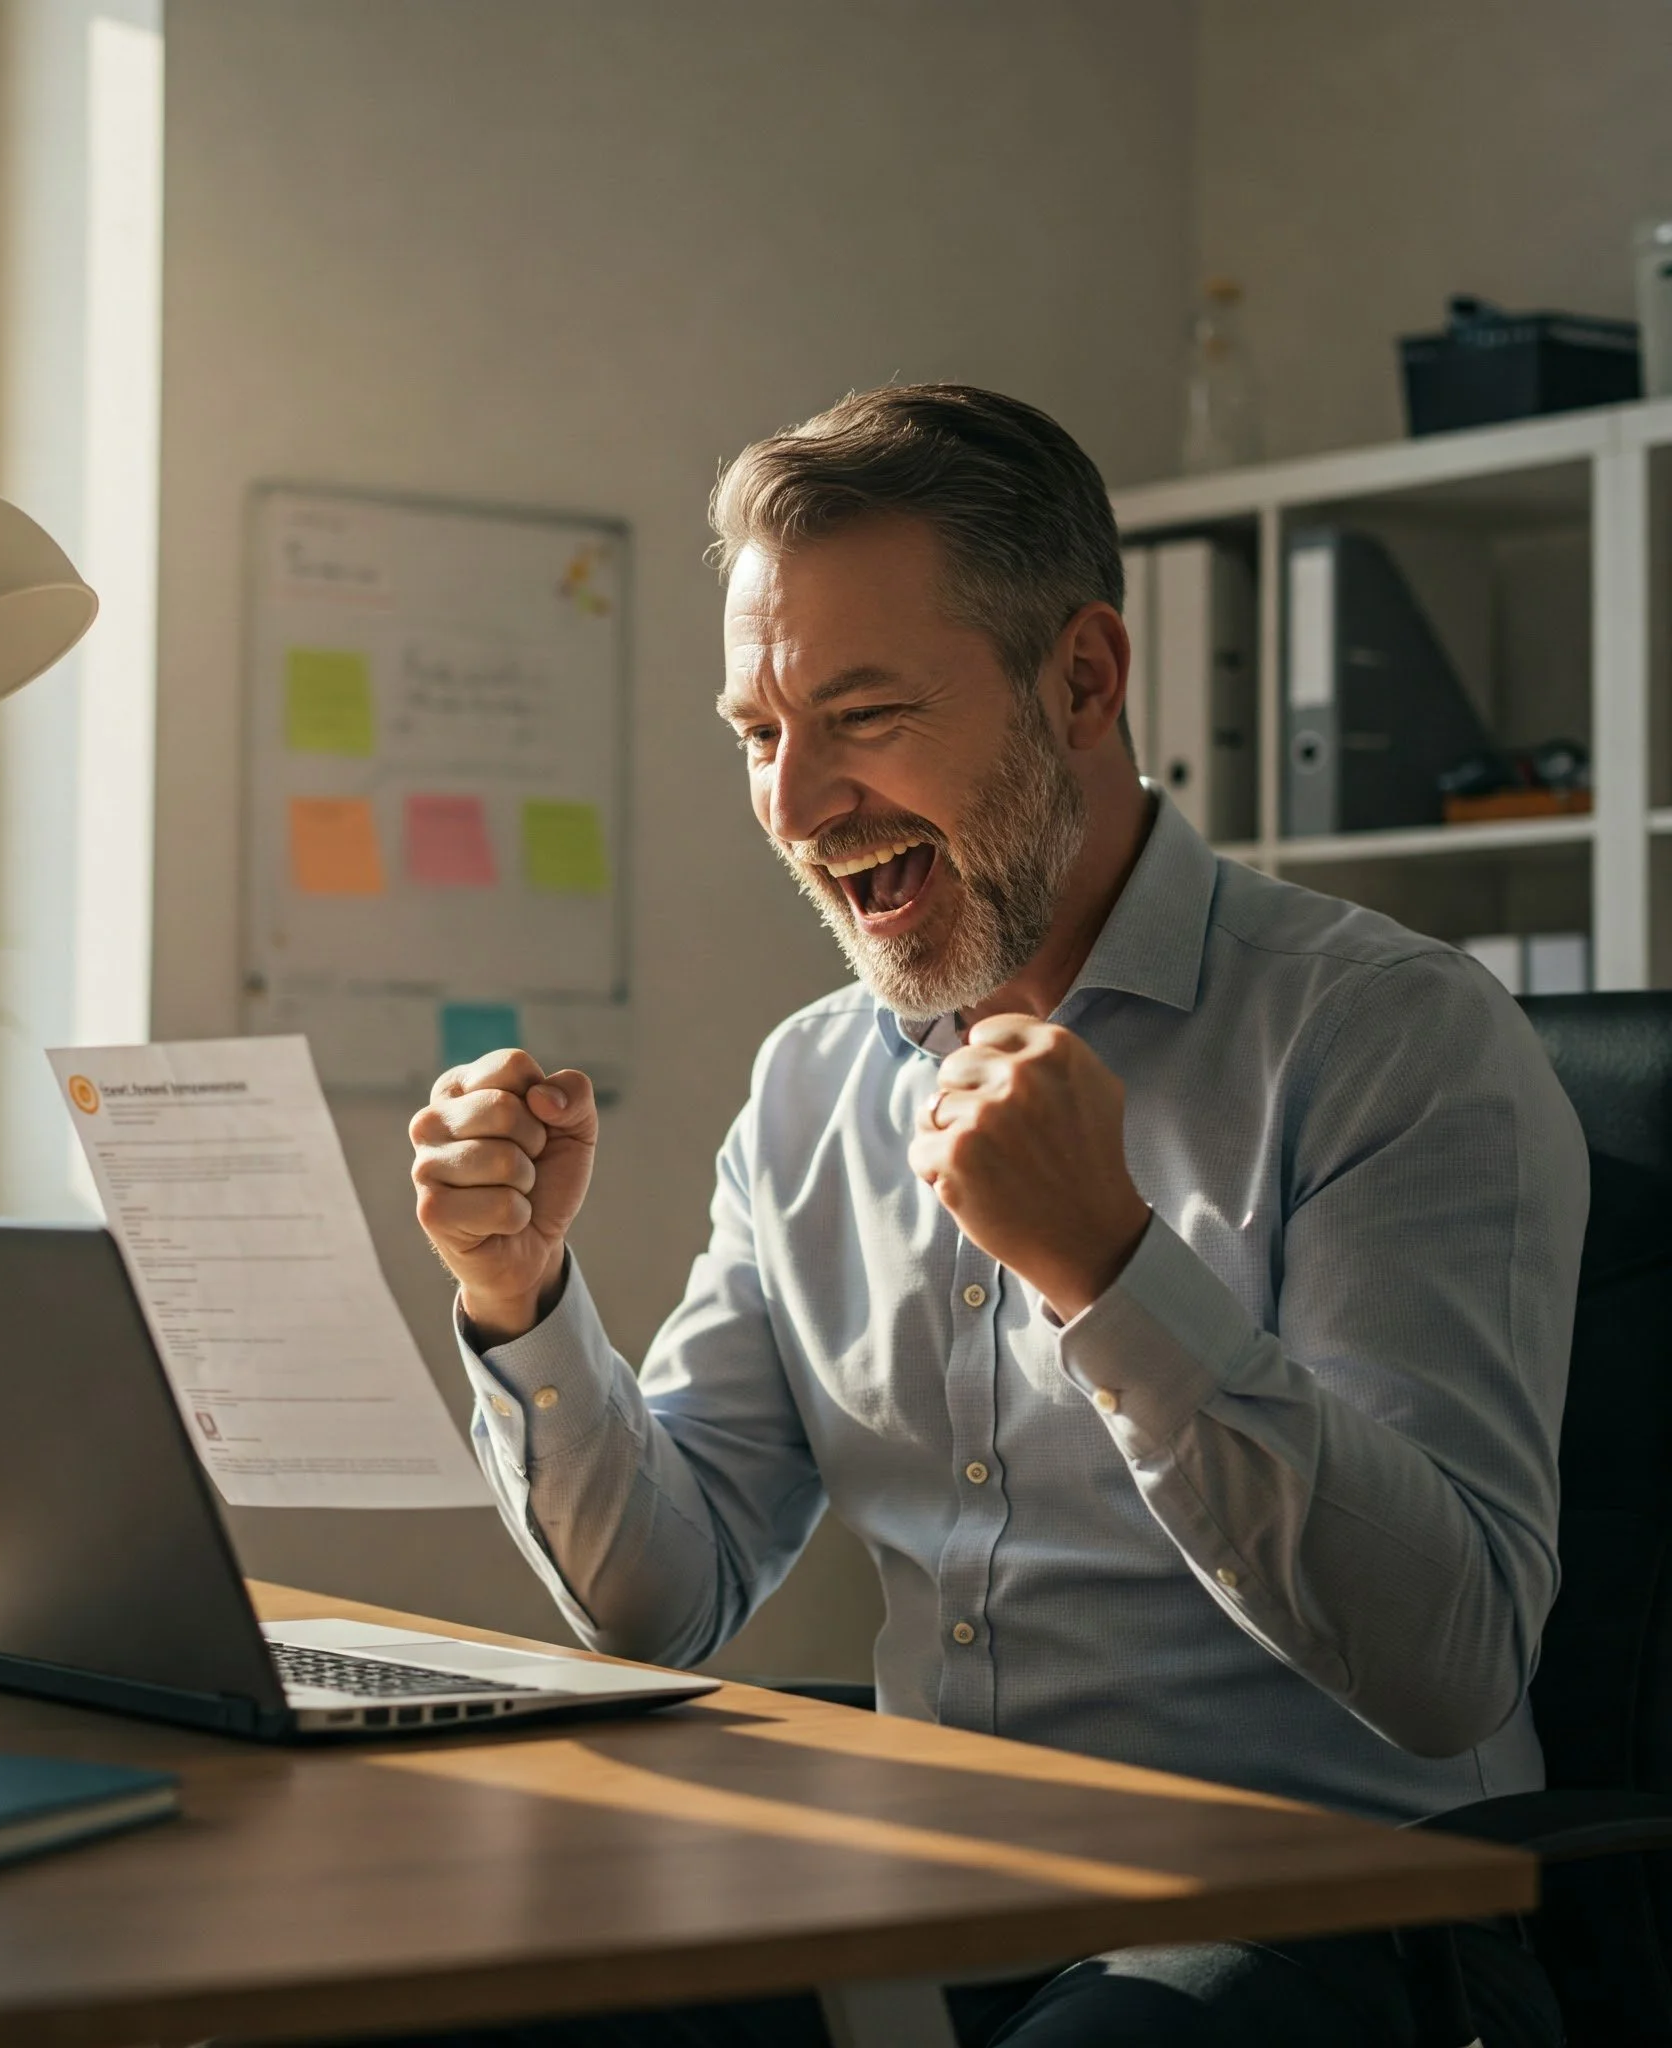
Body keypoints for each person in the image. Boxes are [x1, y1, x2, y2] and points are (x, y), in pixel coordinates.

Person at [402, 385, 1584, 2047]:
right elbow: (667, 1600)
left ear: (1084, 679)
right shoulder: (813, 1083)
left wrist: (1108, 1270)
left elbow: (1450, 1664)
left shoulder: (1391, 1037)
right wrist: (524, 1302)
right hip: (932, 1894)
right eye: (758, 732)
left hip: (1328, 1919)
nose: (799, 807)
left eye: (866, 715)